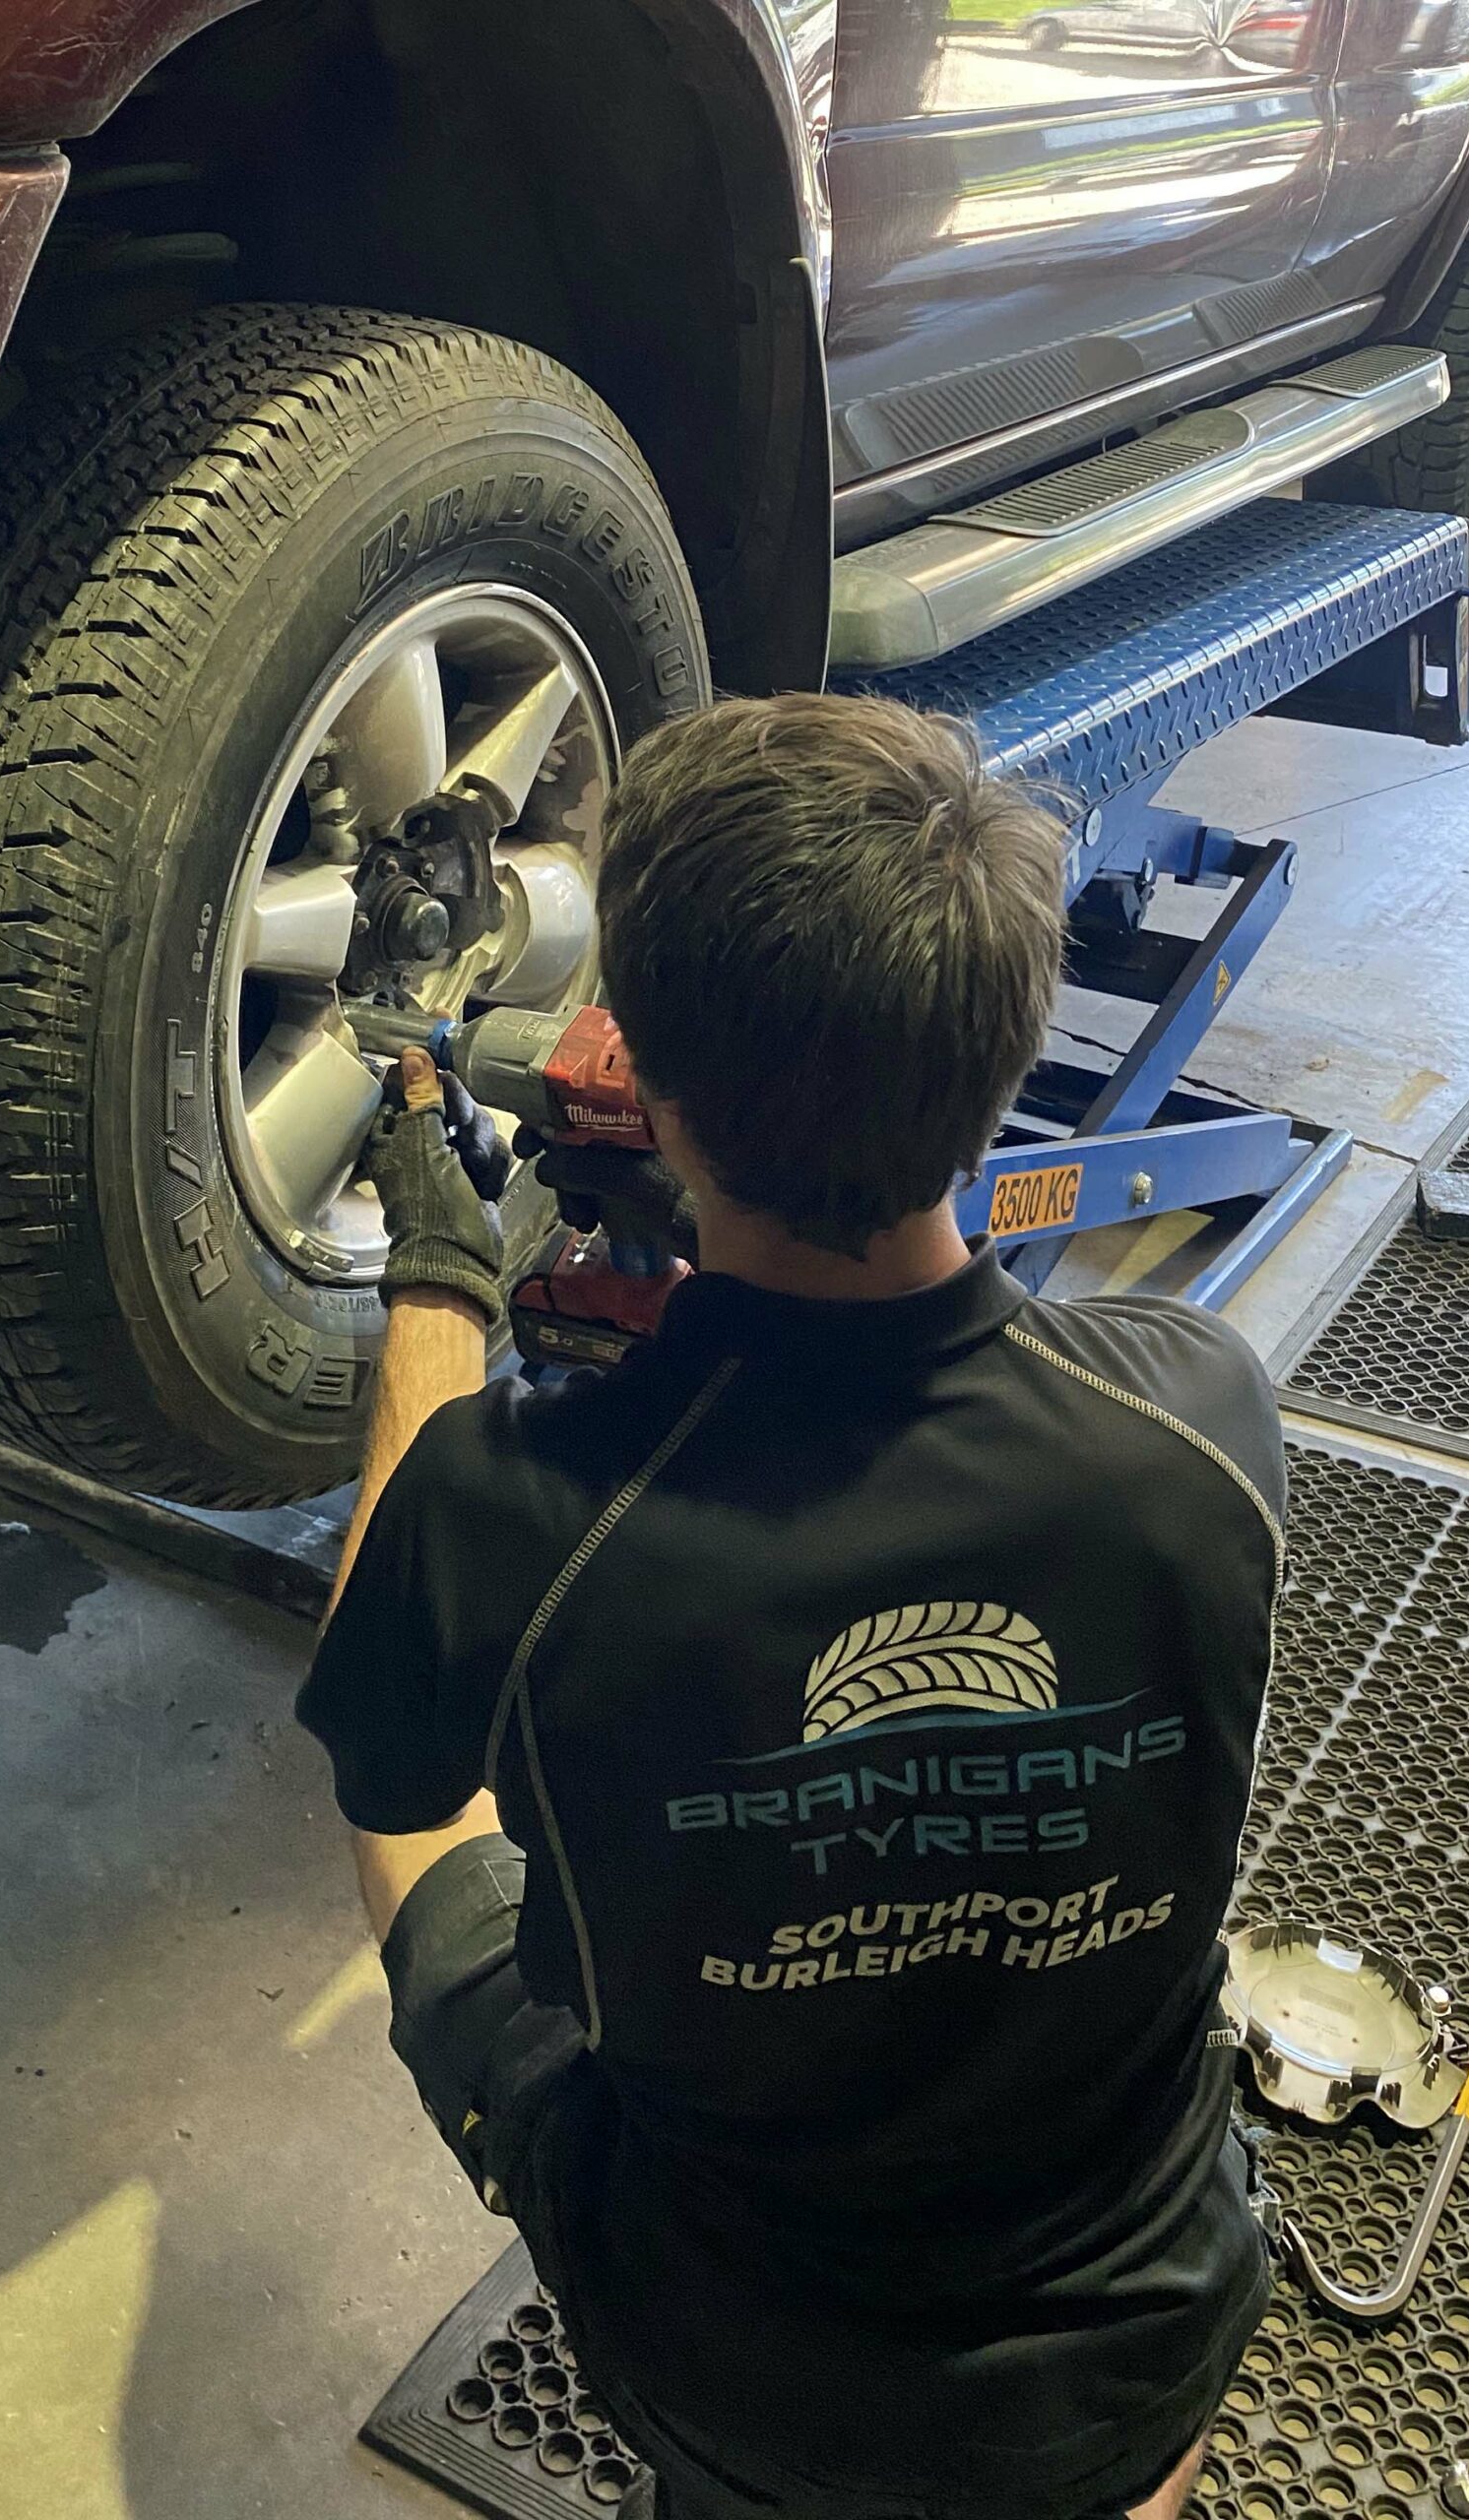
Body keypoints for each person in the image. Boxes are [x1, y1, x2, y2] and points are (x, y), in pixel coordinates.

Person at [297, 692, 1283, 2520]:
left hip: (739, 2374)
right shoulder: (1202, 1415)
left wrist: (440, 1268)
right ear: (1002, 1060)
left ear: (654, 1095)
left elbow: (394, 1754)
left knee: (425, 1828)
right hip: (1148, 2325)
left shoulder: (513, 1511)